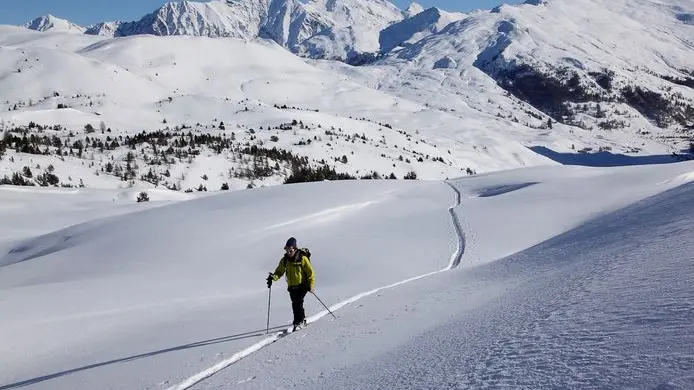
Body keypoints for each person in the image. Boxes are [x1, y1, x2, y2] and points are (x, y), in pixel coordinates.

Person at [266, 237, 315, 331]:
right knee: (295, 304)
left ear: (295, 248)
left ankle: (298, 321)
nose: (288, 252)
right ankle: (301, 319)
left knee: (298, 303)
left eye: (290, 249)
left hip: (302, 285)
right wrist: (273, 278)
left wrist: (311, 285)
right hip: (292, 287)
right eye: (287, 249)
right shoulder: (284, 260)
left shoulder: (302, 258)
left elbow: (310, 273)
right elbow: (279, 272)